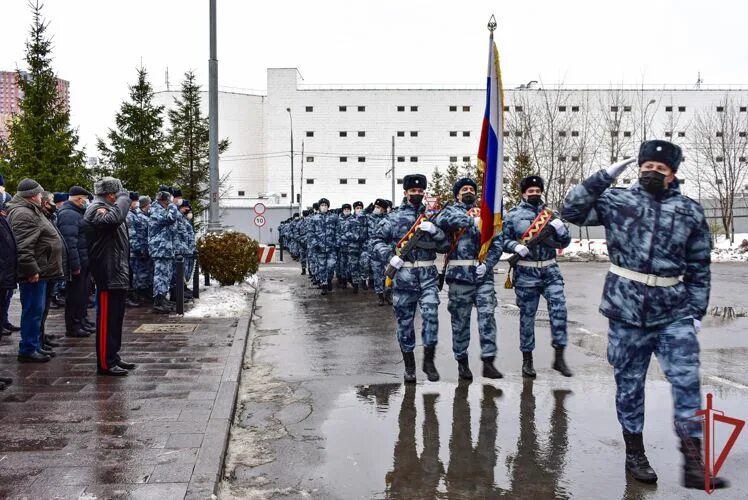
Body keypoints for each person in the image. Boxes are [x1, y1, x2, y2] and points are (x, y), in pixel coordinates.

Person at [562, 140, 727, 489]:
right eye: (647, 166)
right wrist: (602, 178)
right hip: (626, 310)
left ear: (673, 174)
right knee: (629, 385)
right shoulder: (616, 200)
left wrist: (696, 312)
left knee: (686, 381)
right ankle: (634, 453)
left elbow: (699, 266)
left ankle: (693, 458)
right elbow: (572, 212)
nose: (652, 172)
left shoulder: (689, 210)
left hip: (674, 310)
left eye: (660, 169)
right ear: (639, 167)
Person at [372, 174, 451, 383]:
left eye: (420, 191)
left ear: (424, 192)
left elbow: (445, 246)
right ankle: (409, 367)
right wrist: (390, 257)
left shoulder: (433, 217)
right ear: (405, 193)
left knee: (431, 315)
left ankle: (429, 360)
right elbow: (376, 241)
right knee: (405, 324)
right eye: (412, 191)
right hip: (404, 277)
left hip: (427, 277)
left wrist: (435, 231)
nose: (416, 194)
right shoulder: (394, 218)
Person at [502, 175, 572, 379]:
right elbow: (503, 239)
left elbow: (564, 241)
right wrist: (515, 246)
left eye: (537, 190)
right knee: (527, 317)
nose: (534, 193)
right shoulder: (513, 215)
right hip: (526, 271)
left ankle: (559, 356)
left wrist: (561, 230)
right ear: (523, 193)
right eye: (530, 191)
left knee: (559, 308)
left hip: (550, 270)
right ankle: (527, 361)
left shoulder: (551, 215)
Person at [434, 178, 504, 379]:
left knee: (487, 317)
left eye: (471, 189)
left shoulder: (487, 214)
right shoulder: (449, 211)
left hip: (483, 276)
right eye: (464, 189)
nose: (468, 192)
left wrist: (487, 264)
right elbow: (442, 222)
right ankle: (462, 362)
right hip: (459, 277)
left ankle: (488, 361)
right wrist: (470, 220)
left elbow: (497, 243)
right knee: (461, 321)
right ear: (457, 194)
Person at [6, 178, 64, 362]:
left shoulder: (31, 210)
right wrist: (31, 270)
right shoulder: (24, 214)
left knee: (37, 311)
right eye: (39, 194)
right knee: (32, 310)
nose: (42, 197)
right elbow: (23, 247)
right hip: (34, 273)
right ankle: (28, 348)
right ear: (32, 196)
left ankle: (35, 345)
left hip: (42, 269)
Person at [83, 176, 135, 376]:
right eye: (117, 194)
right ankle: (105, 362)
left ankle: (113, 356)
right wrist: (124, 198)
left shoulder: (109, 207)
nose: (119, 198)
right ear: (110, 194)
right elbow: (111, 220)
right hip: (106, 272)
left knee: (115, 319)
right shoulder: (96, 208)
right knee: (106, 320)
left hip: (116, 271)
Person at [57, 186, 94, 338]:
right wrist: (75, 265)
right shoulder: (68, 215)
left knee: (82, 294)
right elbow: (70, 243)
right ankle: (73, 325)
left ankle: (81, 320)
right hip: (77, 262)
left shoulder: (77, 213)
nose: (86, 202)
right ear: (79, 199)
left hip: (83, 260)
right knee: (75, 296)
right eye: (85, 199)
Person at [149, 188, 179, 313]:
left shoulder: (162, 209)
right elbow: (171, 218)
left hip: (166, 248)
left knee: (165, 275)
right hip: (160, 248)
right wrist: (173, 205)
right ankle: (158, 301)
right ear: (164, 200)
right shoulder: (156, 210)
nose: (169, 202)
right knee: (160, 275)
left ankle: (162, 298)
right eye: (168, 200)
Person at [308, 198, 339, 294]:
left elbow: (338, 231)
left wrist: (337, 243)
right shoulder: (314, 218)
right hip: (319, 248)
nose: (324, 207)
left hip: (331, 247)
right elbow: (310, 233)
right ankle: (324, 284)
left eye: (325, 205)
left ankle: (329, 279)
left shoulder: (334, 218)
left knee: (331, 266)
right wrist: (315, 244)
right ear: (319, 207)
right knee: (321, 267)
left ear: (328, 206)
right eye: (322, 205)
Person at [128, 195, 151, 304]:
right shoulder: (130, 215)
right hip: (134, 251)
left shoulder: (135, 214)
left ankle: (140, 294)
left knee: (141, 273)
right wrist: (138, 249)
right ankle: (135, 295)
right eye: (135, 201)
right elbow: (132, 235)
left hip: (141, 248)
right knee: (136, 274)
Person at [0, 197, 17, 340]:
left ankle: (3, 322)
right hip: (3, 269)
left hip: (6, 270)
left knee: (6, 298)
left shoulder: (3, 219)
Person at [367, 199, 390, 305]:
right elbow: (357, 219)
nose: (376, 209)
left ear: (384, 210)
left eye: (379, 208)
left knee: (388, 275)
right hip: (374, 252)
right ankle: (380, 295)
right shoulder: (369, 218)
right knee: (377, 275)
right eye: (375, 207)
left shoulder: (388, 220)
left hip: (386, 252)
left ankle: (388, 295)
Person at [345, 201, 368, 293]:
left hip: (364, 246)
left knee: (364, 264)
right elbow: (346, 232)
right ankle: (355, 283)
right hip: (353, 246)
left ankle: (363, 279)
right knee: (353, 265)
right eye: (357, 208)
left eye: (360, 208)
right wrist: (355, 236)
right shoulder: (350, 219)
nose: (359, 209)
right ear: (354, 209)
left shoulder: (366, 219)